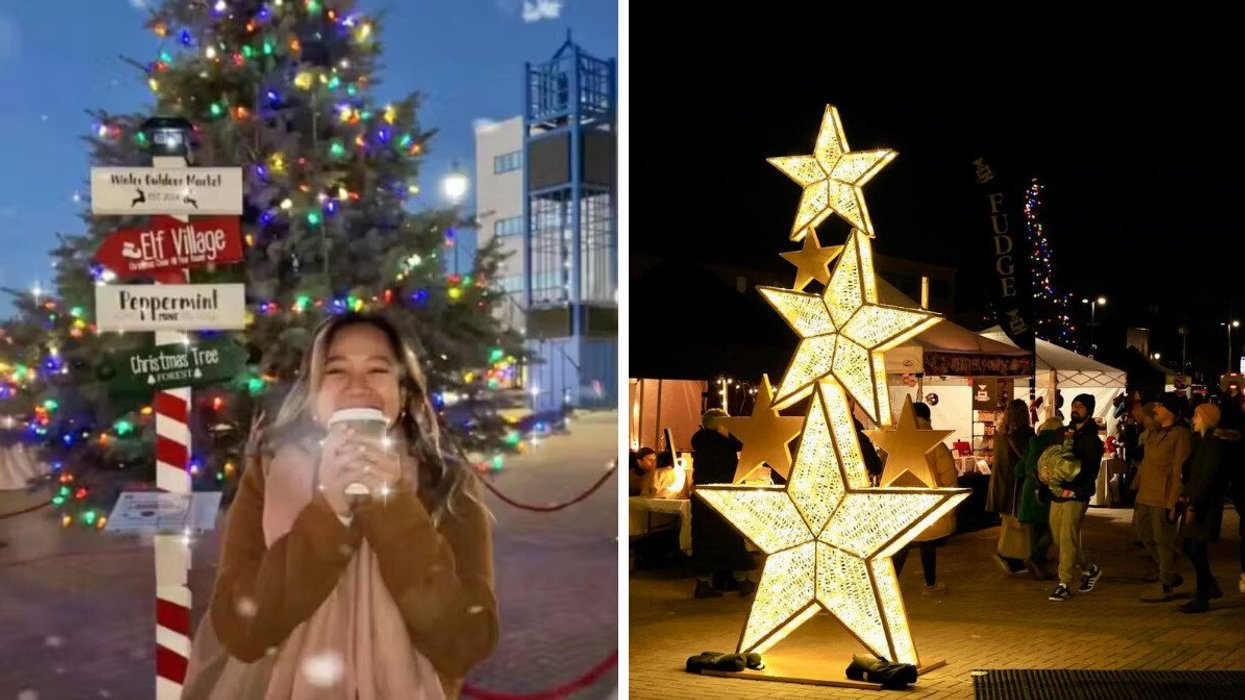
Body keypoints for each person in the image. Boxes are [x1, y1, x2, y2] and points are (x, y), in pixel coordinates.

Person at [182, 313, 498, 700]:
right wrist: (330, 511)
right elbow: (243, 631)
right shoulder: (270, 473)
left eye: (378, 370)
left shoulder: (445, 481)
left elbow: (464, 642)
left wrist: (393, 505)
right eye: (336, 371)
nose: (357, 386)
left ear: (403, 393)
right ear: (314, 395)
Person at [1177, 403, 1240, 612]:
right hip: (1198, 501)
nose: (1193, 419)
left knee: (1196, 547)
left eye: (1196, 415)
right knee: (1191, 546)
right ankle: (1208, 586)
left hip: (1205, 504)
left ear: (1205, 418)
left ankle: (1203, 594)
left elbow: (1207, 477)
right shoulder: (1202, 442)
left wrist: (1194, 503)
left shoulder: (1212, 445)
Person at [1130, 392, 1193, 603]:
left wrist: (1174, 501)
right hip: (1145, 495)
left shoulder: (1180, 435)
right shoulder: (1153, 433)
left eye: (1159, 406)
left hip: (1163, 497)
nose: (1155, 409)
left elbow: (1179, 471)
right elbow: (1147, 462)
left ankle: (1166, 583)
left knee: (1163, 540)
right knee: (1144, 533)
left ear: (1170, 411)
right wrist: (1136, 484)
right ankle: (1169, 572)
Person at [891, 402, 960, 594]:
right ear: (928, 418)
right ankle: (930, 584)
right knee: (927, 543)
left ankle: (890, 585)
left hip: (901, 501)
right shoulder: (935, 443)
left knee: (901, 545)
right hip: (927, 500)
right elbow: (948, 475)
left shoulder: (895, 440)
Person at [690, 409, 755, 598]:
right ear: (720, 423)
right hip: (722, 496)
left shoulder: (698, 443)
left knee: (702, 541)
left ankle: (703, 584)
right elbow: (733, 472)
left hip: (702, 498)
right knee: (731, 539)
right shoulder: (725, 446)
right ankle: (742, 581)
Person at [1046, 394, 1105, 602]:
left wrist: (1075, 489)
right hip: (1057, 492)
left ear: (1088, 411)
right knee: (1058, 538)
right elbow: (1050, 457)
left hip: (1076, 494)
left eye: (1081, 406)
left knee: (1067, 537)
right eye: (1074, 404)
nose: (1076, 408)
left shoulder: (1093, 440)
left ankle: (1064, 583)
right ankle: (1090, 570)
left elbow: (1089, 470)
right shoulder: (1061, 433)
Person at [987, 399, 1033, 575]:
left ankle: (1012, 557)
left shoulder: (1000, 433)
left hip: (1001, 484)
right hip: (1016, 485)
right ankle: (1011, 557)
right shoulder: (1024, 434)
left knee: (1009, 523)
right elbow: (1029, 457)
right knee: (1016, 525)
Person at [1015, 417, 1065, 580]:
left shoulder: (1032, 442)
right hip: (1047, 490)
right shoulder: (1056, 445)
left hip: (1030, 490)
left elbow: (1018, 470)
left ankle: (1037, 567)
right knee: (1053, 528)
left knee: (1035, 529)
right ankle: (1036, 559)